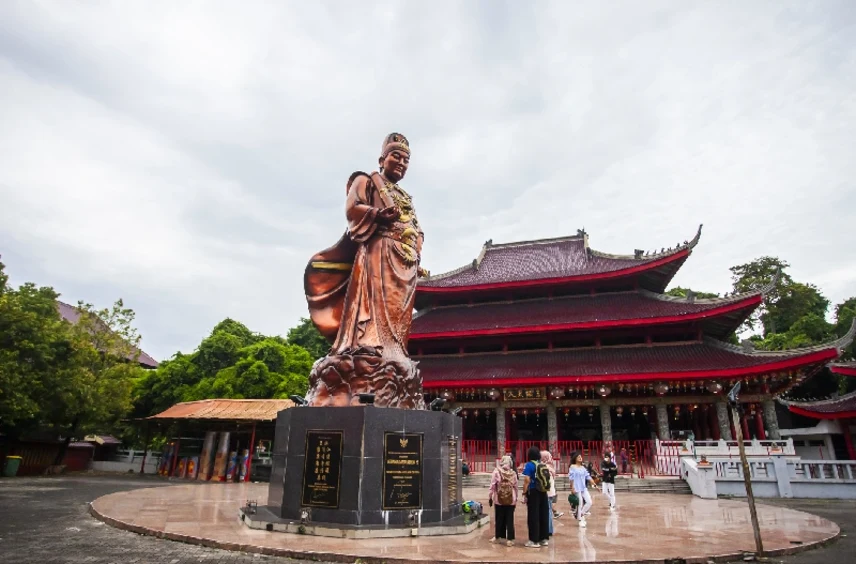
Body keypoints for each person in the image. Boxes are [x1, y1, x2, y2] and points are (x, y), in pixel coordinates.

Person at [304, 133, 428, 408]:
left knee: (399, 319)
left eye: (406, 160)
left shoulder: (404, 195)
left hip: (404, 261)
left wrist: (417, 244)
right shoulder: (367, 180)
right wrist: (376, 215)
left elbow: (415, 225)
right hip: (378, 251)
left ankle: (395, 353)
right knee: (372, 307)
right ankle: (365, 346)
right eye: (396, 156)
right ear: (382, 158)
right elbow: (352, 208)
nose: (401, 163)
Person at [521, 445, 550, 548]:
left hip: (533, 491)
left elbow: (527, 480)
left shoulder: (529, 465)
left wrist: (524, 493)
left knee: (533, 515)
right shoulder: (541, 464)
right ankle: (544, 539)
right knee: (543, 514)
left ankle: (534, 540)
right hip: (543, 491)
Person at [488, 455, 518, 546]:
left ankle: (498, 537)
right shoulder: (513, 473)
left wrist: (490, 496)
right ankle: (510, 539)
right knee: (510, 518)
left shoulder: (497, 472)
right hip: (511, 498)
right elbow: (516, 487)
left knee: (499, 518)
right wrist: (516, 497)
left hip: (499, 499)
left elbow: (492, 485)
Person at [568, 452, 595, 528]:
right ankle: (580, 520)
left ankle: (580, 514)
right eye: (578, 457)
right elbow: (571, 478)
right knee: (579, 504)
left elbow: (588, 477)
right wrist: (572, 487)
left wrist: (595, 485)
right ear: (575, 459)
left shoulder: (583, 468)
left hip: (583, 487)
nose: (580, 458)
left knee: (589, 502)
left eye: (581, 456)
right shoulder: (572, 467)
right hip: (576, 487)